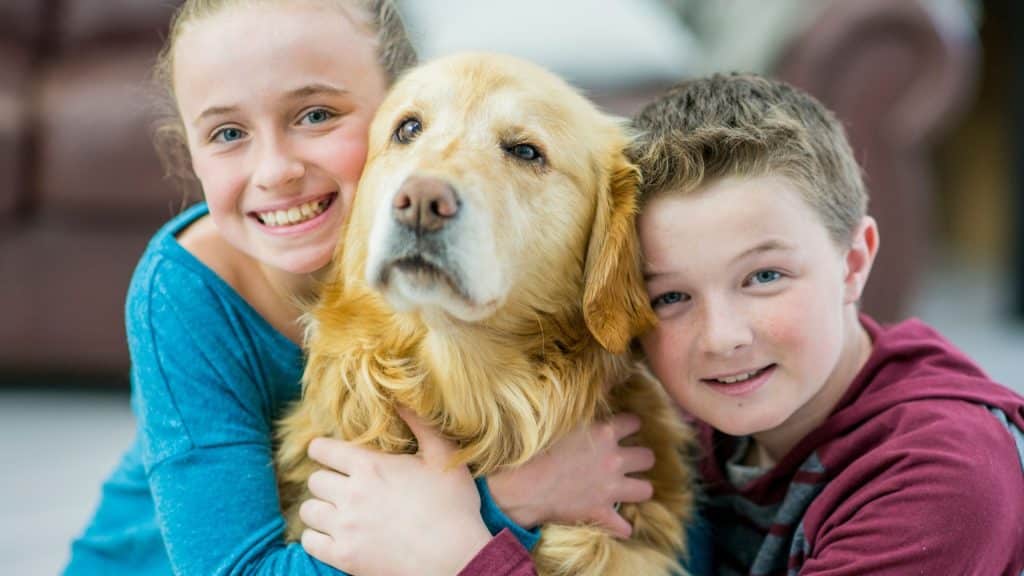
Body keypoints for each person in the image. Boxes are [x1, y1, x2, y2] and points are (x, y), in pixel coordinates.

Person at [62, 1, 656, 574]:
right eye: (226, 133)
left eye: (317, 115)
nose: (276, 171)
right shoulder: (182, 295)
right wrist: (507, 502)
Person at [629, 73, 1024, 575]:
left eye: (764, 276)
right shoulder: (685, 424)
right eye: (672, 296)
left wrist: (493, 549)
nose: (721, 337)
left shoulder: (943, 474)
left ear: (853, 262)